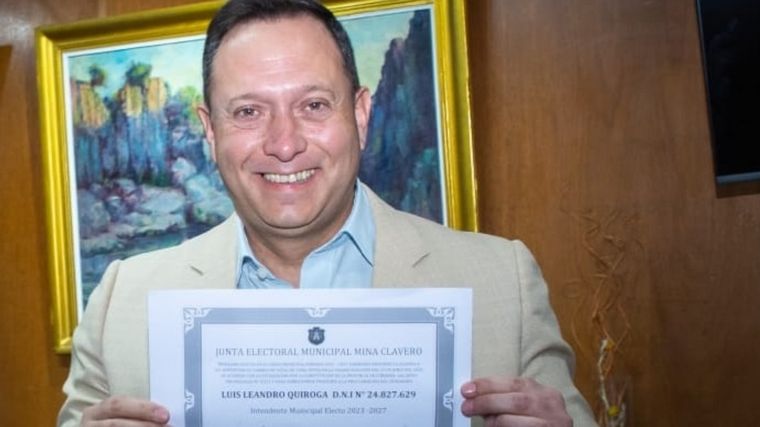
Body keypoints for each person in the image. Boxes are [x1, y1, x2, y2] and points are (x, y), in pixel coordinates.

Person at [58, 0, 596, 426]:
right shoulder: (120, 303)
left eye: (314, 105)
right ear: (210, 131)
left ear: (360, 114)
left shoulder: (504, 284)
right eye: (248, 111)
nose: (284, 144)